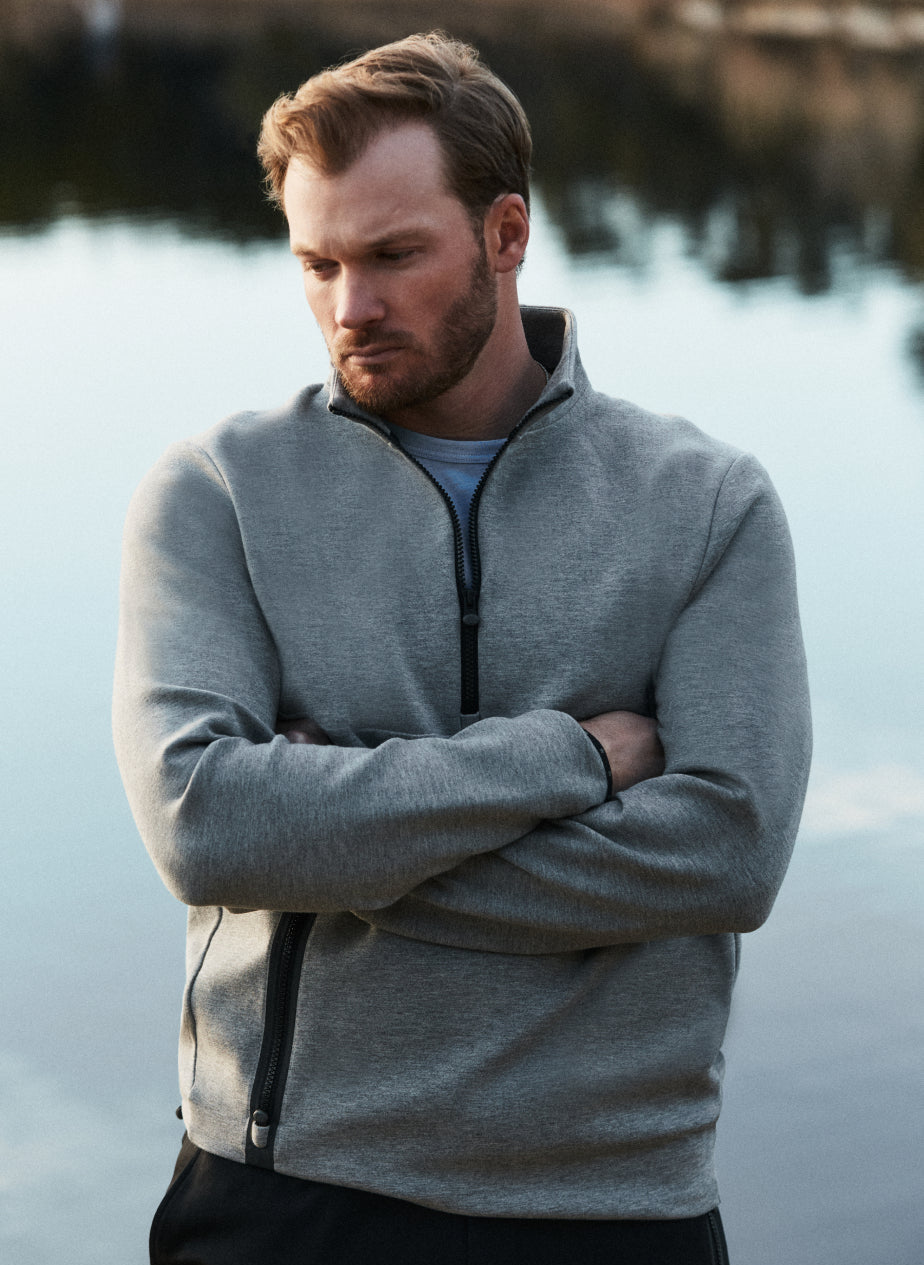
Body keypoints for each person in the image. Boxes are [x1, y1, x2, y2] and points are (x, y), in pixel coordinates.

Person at [113, 31, 811, 1265]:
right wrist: (570, 763)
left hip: (610, 1209)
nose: (350, 308)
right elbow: (209, 825)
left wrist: (329, 845)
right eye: (317, 262)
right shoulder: (218, 491)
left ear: (506, 233)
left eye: (394, 256)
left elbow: (726, 857)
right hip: (283, 1198)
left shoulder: (706, 506)